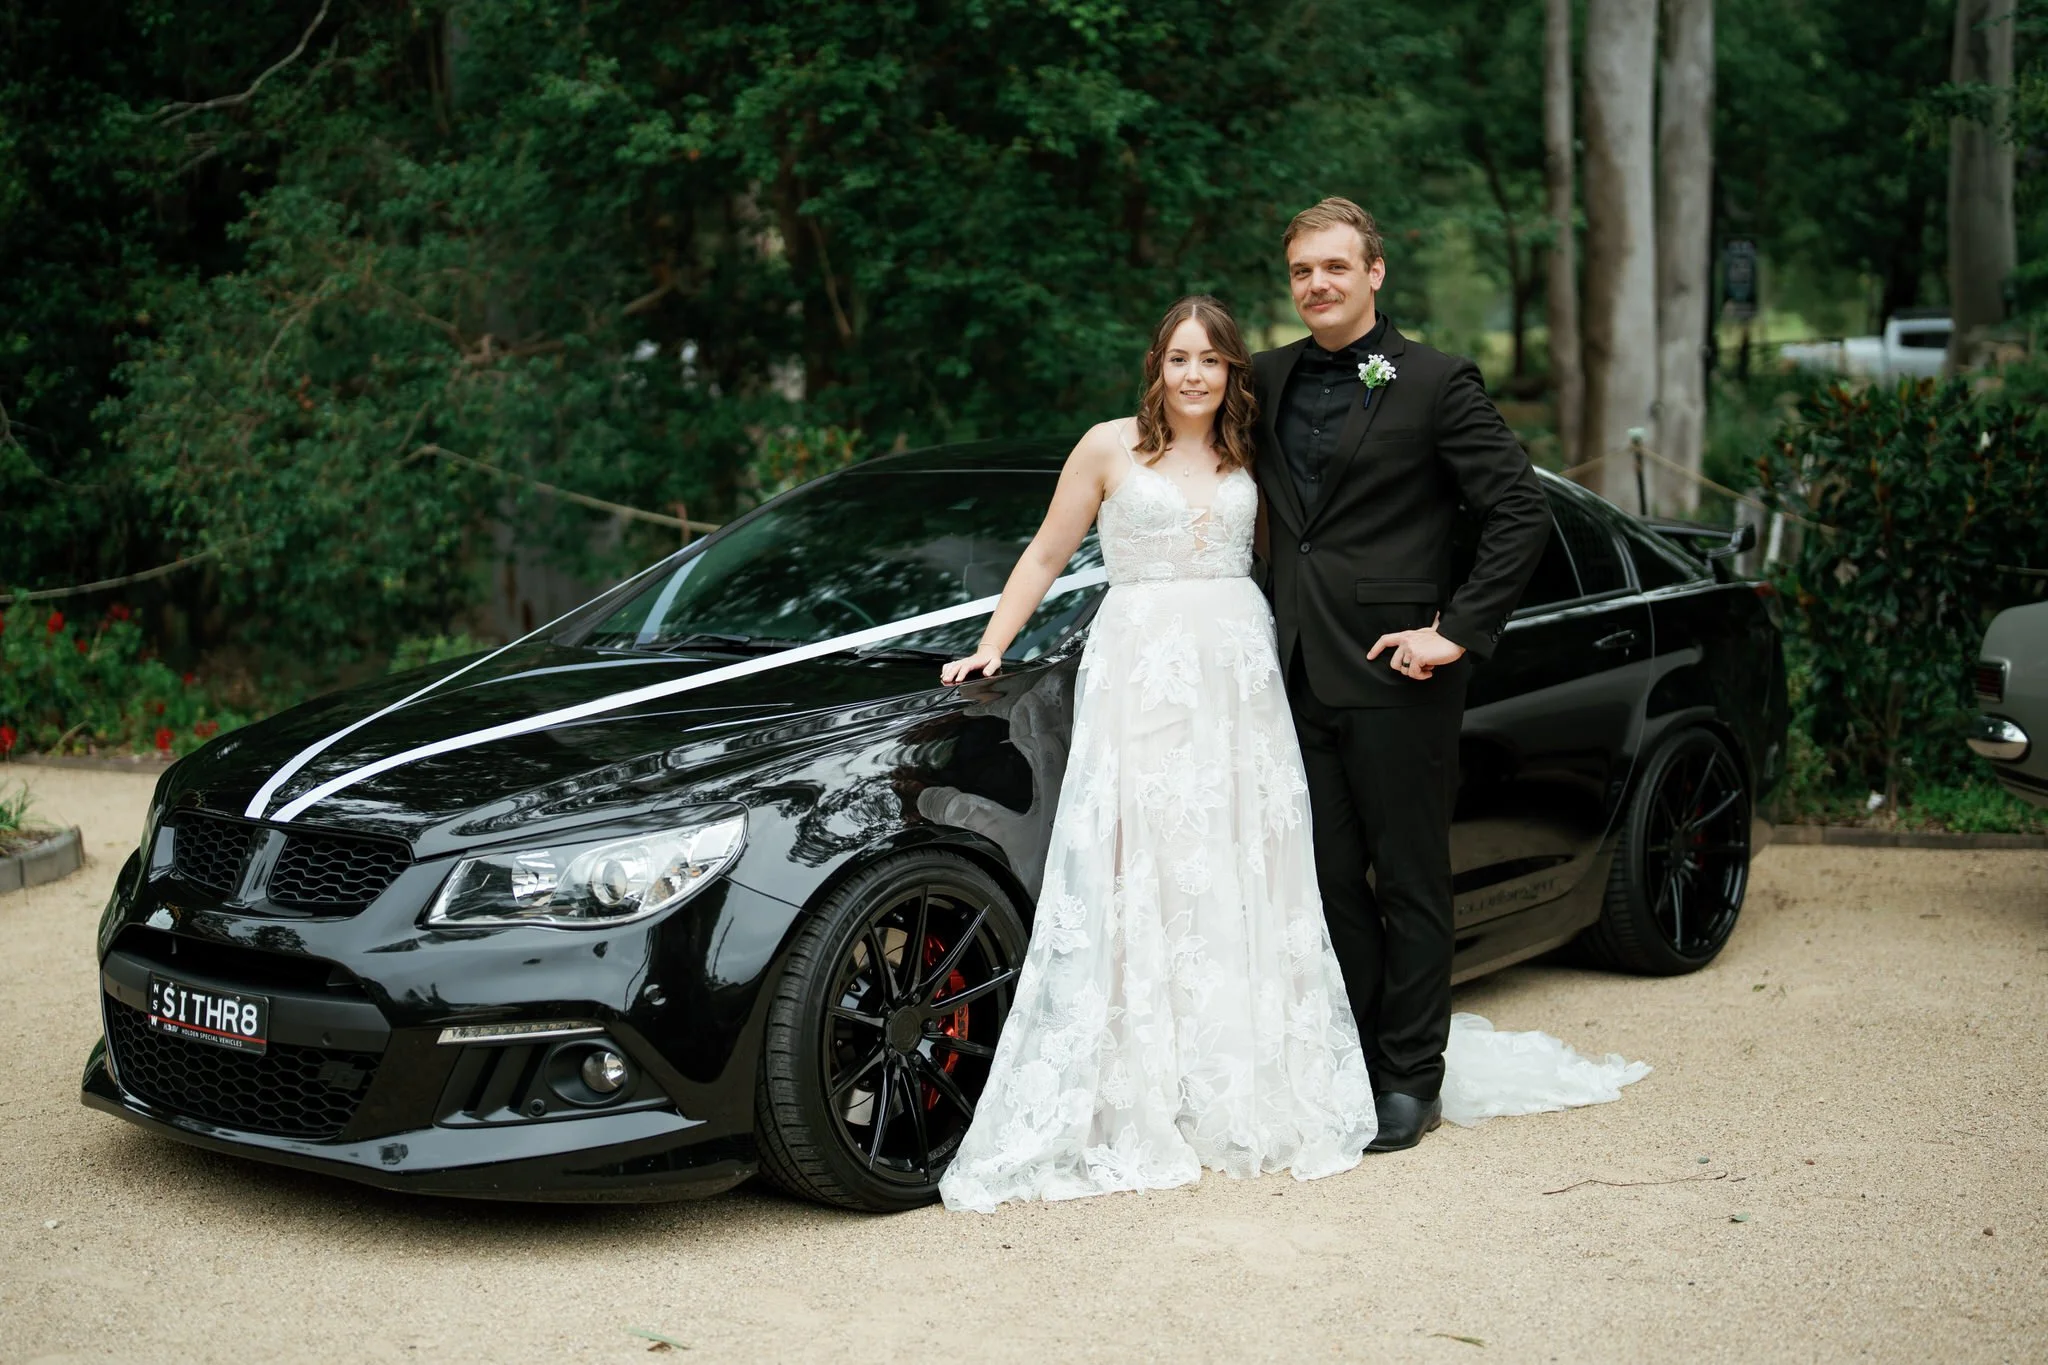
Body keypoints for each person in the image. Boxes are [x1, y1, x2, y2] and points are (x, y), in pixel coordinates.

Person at [935, 292, 1645, 1215]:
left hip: (1248, 671)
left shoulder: (1262, 443)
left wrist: (1450, 622)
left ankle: (1352, 1069)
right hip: (1146, 671)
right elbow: (1041, 555)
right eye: (1178, 357)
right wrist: (995, 641)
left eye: (1211, 359)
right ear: (1155, 364)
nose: (1194, 373)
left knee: (1257, 861)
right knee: (1147, 857)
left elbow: (1413, 515)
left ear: (1234, 371)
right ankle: (1149, 1072)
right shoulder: (1115, 444)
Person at [1252, 196, 1554, 1150]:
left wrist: (1455, 630)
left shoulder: (1434, 381)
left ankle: (1410, 1080)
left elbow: (1520, 513)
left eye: (1336, 267)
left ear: (1375, 272)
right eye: (1303, 271)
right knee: (1330, 880)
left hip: (1399, 673)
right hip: (1288, 671)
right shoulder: (1258, 380)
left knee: (1412, 881)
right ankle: (1357, 1052)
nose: (1318, 285)